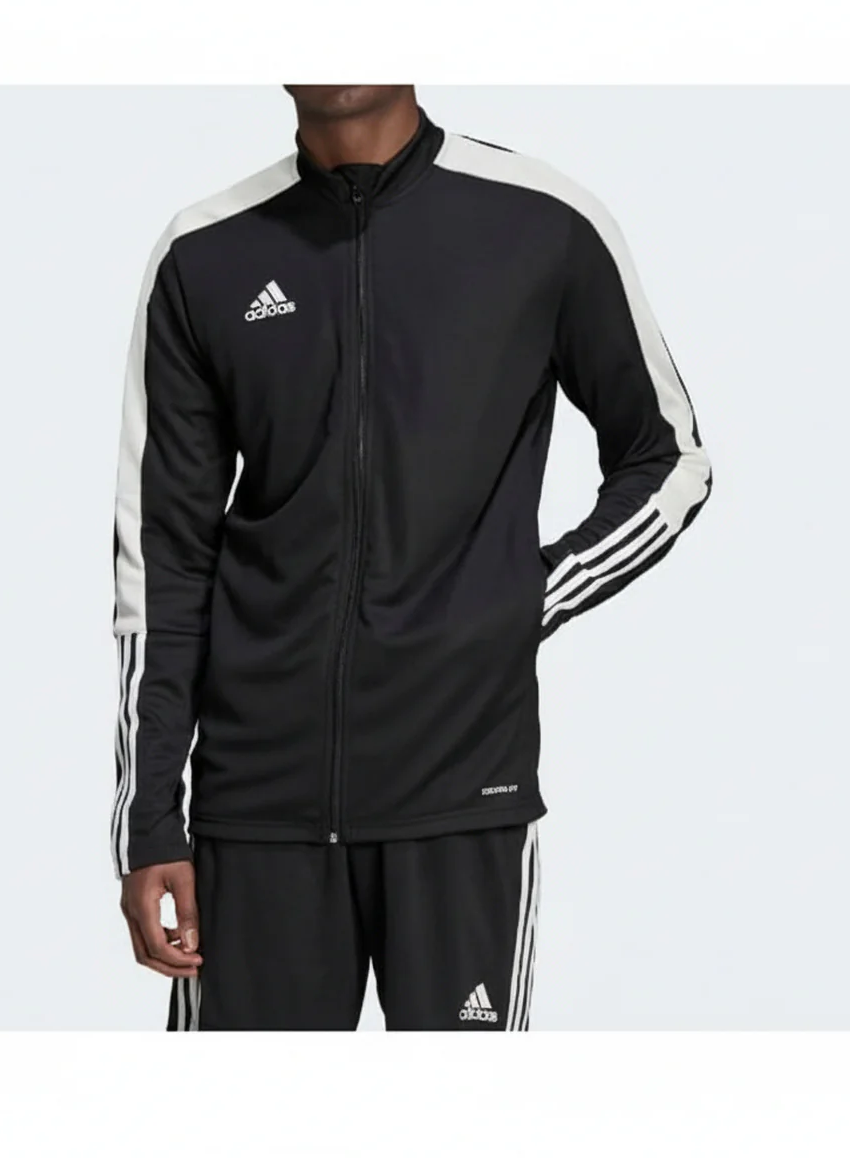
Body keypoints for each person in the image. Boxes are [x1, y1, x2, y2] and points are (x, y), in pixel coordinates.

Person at [111, 85, 711, 1030]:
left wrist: (526, 597)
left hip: (459, 788)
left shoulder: (541, 221)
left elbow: (668, 458)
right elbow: (164, 563)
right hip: (257, 807)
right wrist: (150, 821)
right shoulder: (207, 252)